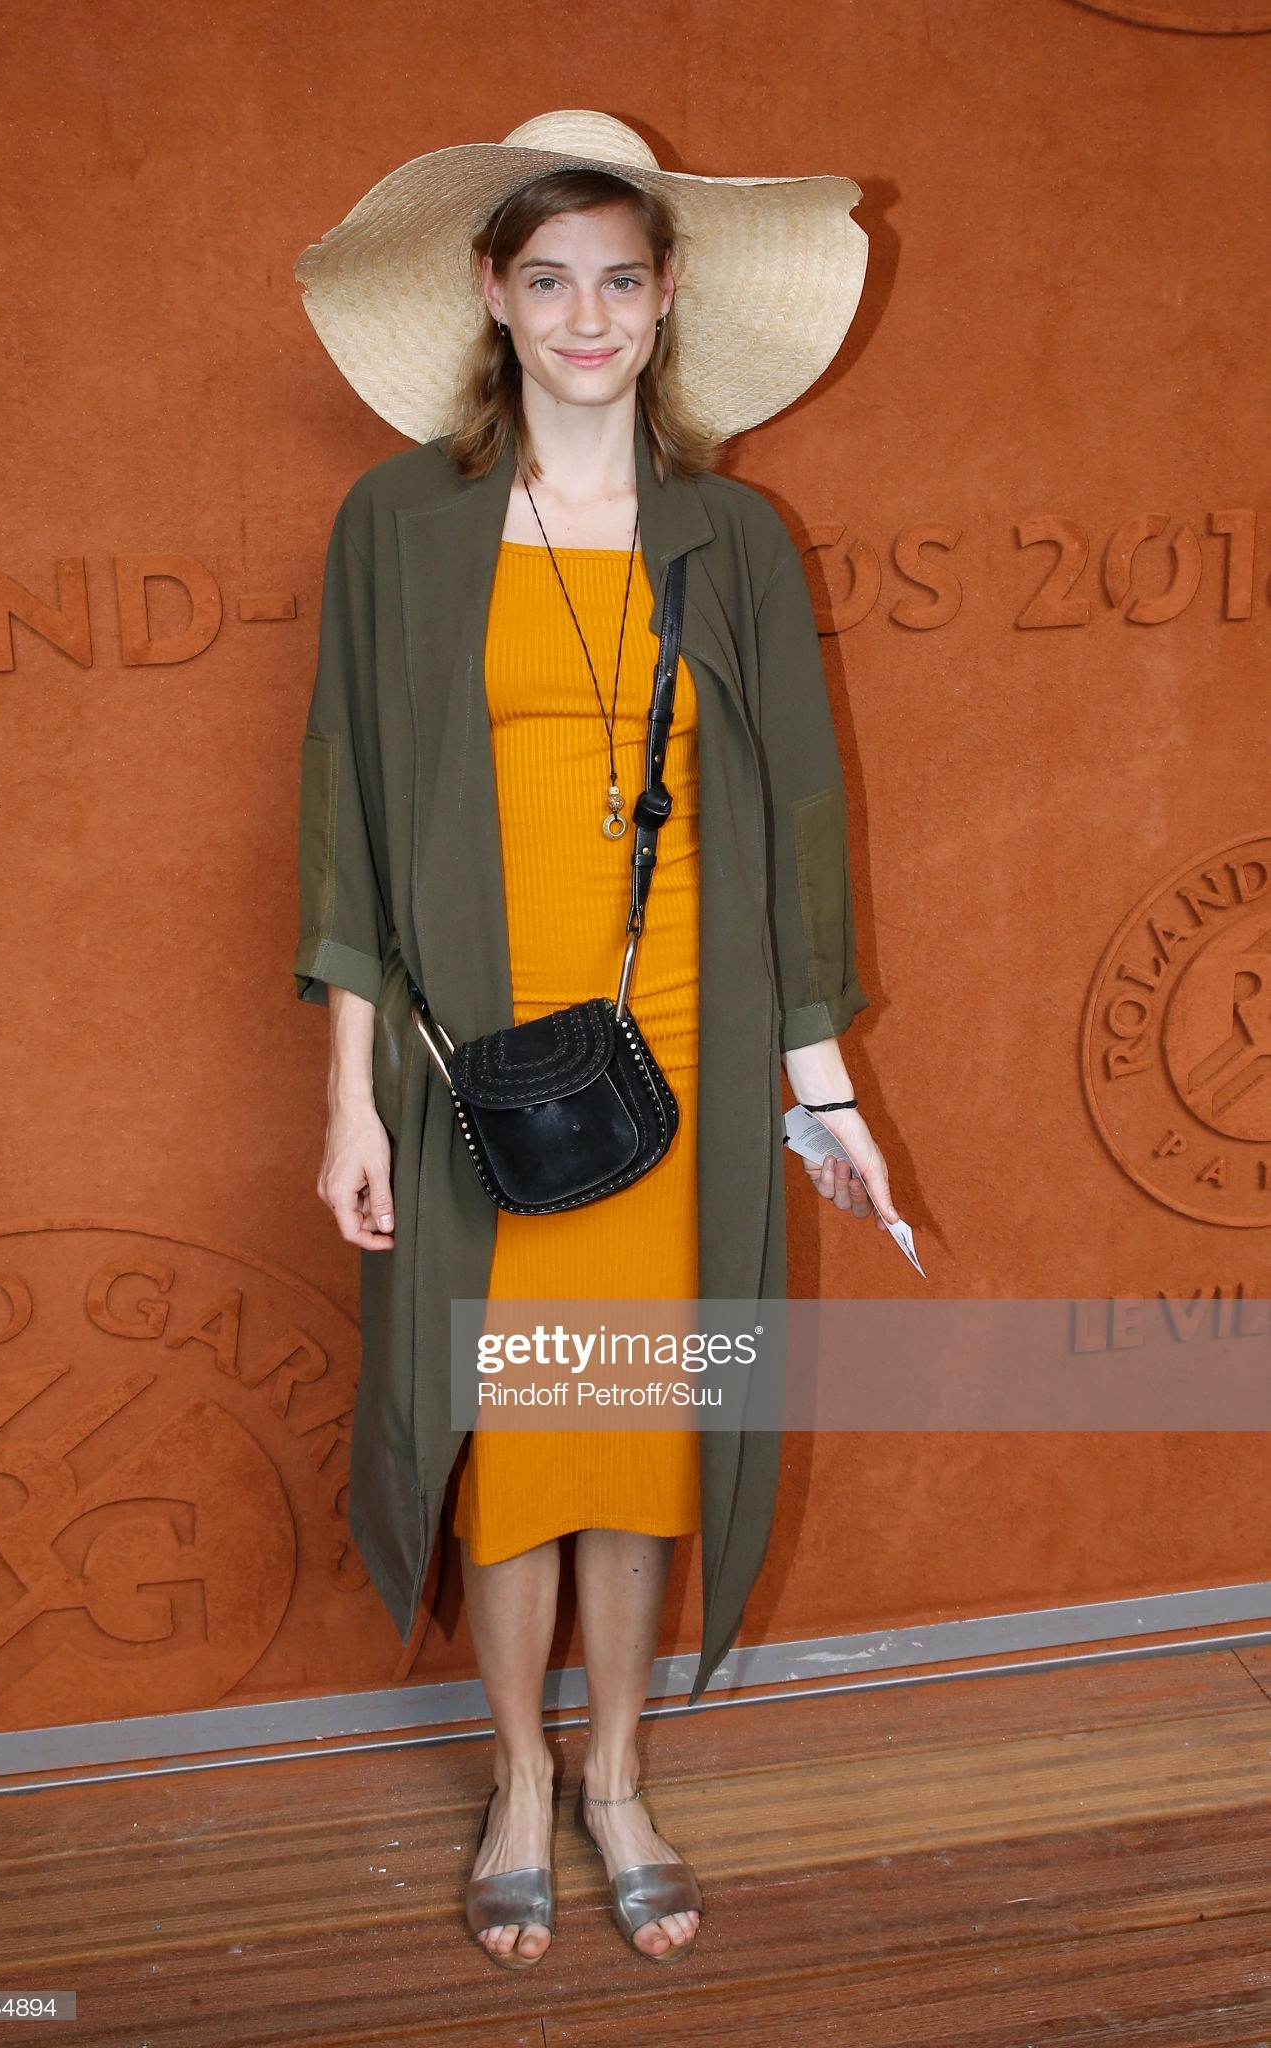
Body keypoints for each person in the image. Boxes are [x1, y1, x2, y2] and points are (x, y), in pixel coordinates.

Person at [292, 111, 898, 1970]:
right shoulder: (397, 523)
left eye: (619, 280)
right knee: (512, 1435)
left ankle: (618, 1777)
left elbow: (793, 821)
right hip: (470, 1063)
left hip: (683, 1059)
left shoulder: (733, 533)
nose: (585, 316)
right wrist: (348, 1097)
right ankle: (515, 1779)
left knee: (634, 1435)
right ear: (491, 294)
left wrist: (820, 1093)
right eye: (547, 278)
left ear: (663, 299)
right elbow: (346, 820)